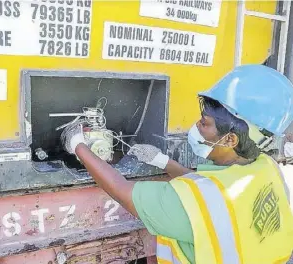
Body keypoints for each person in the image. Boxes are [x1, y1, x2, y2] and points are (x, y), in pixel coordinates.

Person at [61, 64, 293, 264]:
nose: (196, 126)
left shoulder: (191, 205)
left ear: (230, 139)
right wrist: (163, 162)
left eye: (204, 123)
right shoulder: (266, 166)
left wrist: (78, 145)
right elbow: (213, 194)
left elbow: (123, 192)